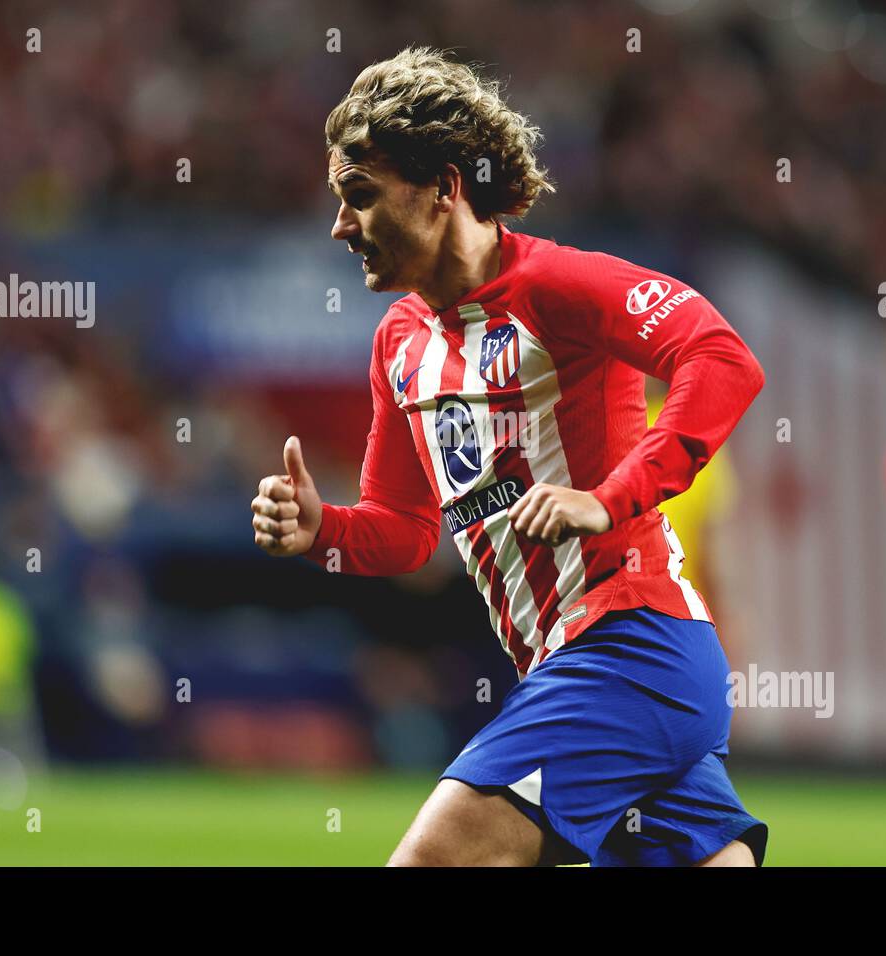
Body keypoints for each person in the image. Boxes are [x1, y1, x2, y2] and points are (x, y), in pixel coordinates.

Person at [253, 46, 767, 866]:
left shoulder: (558, 286)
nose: (340, 226)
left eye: (360, 196)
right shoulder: (398, 341)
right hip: (577, 667)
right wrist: (324, 530)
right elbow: (407, 529)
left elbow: (721, 358)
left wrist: (612, 497)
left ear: (445, 188)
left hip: (633, 644)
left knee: (436, 859)